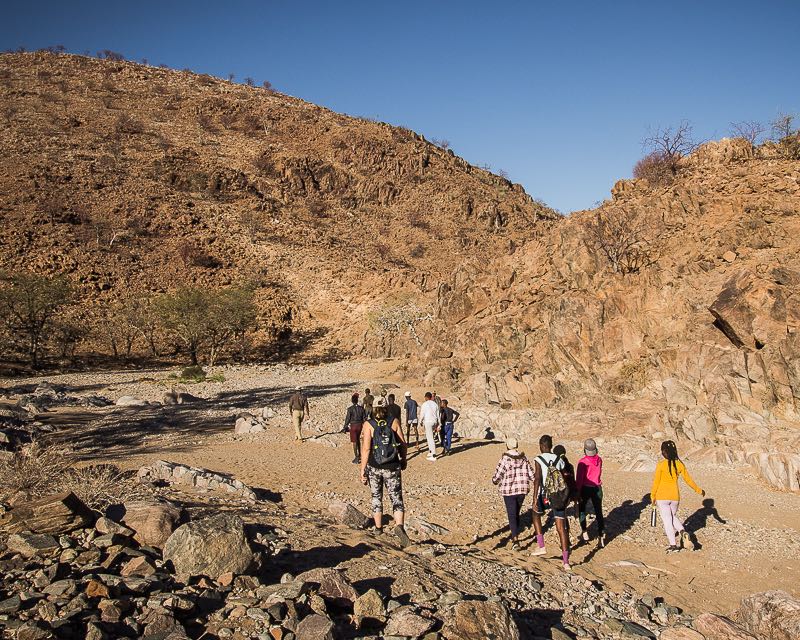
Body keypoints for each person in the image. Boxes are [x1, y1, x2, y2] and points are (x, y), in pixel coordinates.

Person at [359, 398, 411, 547]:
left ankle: (378, 528)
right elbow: (403, 443)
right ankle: (399, 526)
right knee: (396, 497)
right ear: (386, 407)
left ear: (373, 408)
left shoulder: (368, 424)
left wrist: (363, 469)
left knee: (376, 496)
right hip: (392, 465)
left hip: (374, 466)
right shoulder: (393, 421)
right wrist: (404, 459)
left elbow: (366, 448)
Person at [650, 440, 705, 552]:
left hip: (662, 496)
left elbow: (656, 482)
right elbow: (688, 480)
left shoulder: (661, 465)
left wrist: (653, 496)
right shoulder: (680, 464)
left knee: (667, 521)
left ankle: (673, 545)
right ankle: (682, 532)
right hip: (675, 496)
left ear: (663, 452)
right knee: (672, 516)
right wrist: (699, 490)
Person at [531, 434, 571, 571]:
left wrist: (534, 497)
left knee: (536, 514)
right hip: (558, 497)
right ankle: (566, 561)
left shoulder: (538, 459)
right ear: (551, 445)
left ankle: (541, 545)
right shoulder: (558, 459)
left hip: (544, 495)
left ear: (541, 446)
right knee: (561, 528)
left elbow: (537, 479)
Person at [492, 437, 535, 550]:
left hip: (509, 490)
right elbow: (532, 475)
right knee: (516, 512)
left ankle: (515, 540)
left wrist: (495, 481)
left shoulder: (505, 459)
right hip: (522, 490)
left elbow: (498, 474)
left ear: (507, 446)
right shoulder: (524, 458)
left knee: (512, 514)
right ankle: (515, 531)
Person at [576, 438, 605, 547]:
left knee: (582, 510)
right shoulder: (599, 460)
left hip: (585, 488)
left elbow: (579, 479)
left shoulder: (582, 462)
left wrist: (577, 491)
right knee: (599, 512)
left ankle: (584, 532)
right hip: (597, 487)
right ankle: (601, 536)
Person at [343, 393, 367, 464]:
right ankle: (360, 455)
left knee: (354, 441)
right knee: (358, 440)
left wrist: (345, 426)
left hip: (353, 426)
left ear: (352, 401)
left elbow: (347, 419)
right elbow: (364, 418)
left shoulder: (350, 409)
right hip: (360, 426)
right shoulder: (361, 408)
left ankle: (356, 457)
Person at [420, 392, 440, 461]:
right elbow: (438, 415)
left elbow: (422, 414)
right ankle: (431, 452)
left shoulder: (424, 404)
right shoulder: (435, 404)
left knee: (430, 438)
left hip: (428, 422)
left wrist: (420, 421)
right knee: (429, 437)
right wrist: (439, 423)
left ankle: (434, 455)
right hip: (434, 422)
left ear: (426, 397)